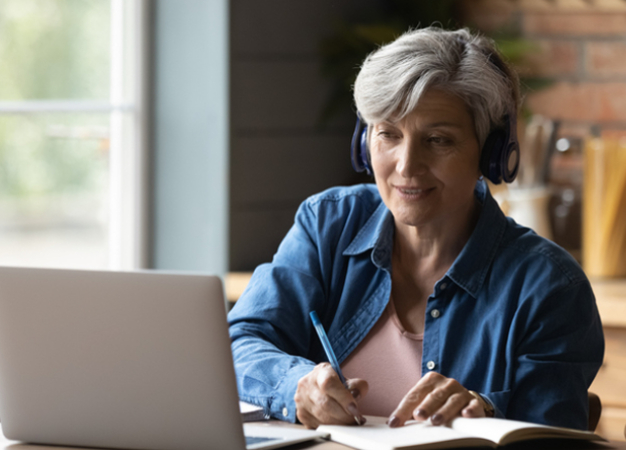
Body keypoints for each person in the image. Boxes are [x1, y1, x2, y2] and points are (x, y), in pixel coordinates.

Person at [227, 27, 604, 431]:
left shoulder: (549, 287)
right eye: (388, 134)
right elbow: (240, 343)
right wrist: (294, 384)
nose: (406, 165)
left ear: (491, 154)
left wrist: (485, 410)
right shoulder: (328, 224)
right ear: (364, 141)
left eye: (438, 140)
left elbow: (550, 435)